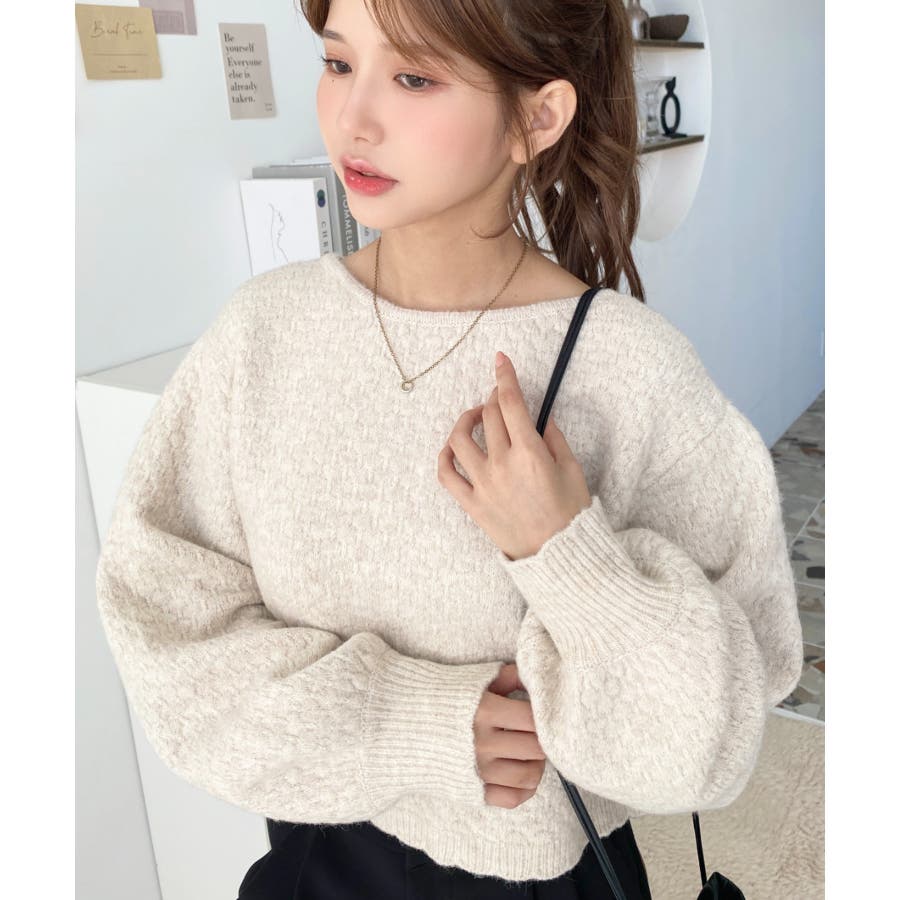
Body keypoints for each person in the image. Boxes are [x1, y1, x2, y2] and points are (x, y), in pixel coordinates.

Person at [94, 0, 805, 897]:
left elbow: (711, 748)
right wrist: (410, 722)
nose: (353, 118)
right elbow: (161, 631)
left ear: (536, 117)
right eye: (339, 63)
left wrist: (566, 551)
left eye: (414, 77)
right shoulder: (261, 336)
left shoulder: (633, 372)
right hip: (317, 867)